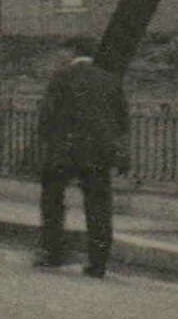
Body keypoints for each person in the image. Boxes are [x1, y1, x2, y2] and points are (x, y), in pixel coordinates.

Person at [34, 36, 130, 278]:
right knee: (98, 206)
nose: (61, 57)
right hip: (98, 153)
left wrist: (47, 140)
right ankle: (98, 263)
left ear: (73, 52)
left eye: (64, 52)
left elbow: (47, 116)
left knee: (52, 200)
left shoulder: (61, 77)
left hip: (64, 152)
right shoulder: (110, 80)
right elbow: (122, 121)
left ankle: (52, 252)